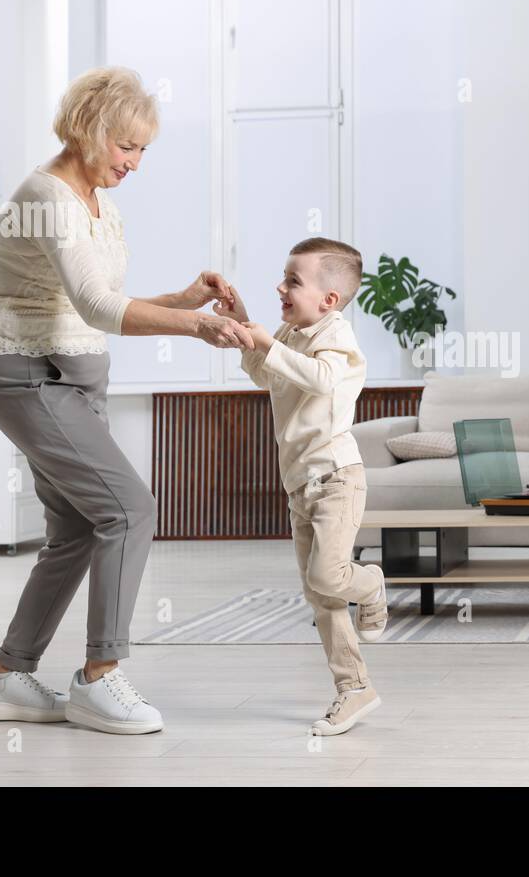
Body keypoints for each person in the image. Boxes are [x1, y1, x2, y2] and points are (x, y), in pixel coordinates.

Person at [0, 66, 246, 734]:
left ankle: (5, 677)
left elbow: (91, 298)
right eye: (128, 146)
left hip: (70, 376)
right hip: (31, 375)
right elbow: (96, 304)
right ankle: (100, 676)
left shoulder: (97, 199)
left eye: (144, 149)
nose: (136, 163)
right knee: (130, 508)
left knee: (73, 530)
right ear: (91, 130)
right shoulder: (47, 195)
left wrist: (182, 300)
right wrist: (196, 326)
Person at [217, 237, 388, 736]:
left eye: (293, 280)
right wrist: (244, 323)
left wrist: (270, 344)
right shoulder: (290, 333)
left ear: (328, 300)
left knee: (331, 577)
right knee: (320, 595)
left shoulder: (337, 337)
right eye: (284, 277)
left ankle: (372, 583)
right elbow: (265, 376)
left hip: (337, 478)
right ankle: (353, 688)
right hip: (299, 485)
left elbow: (321, 381)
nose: (281, 286)